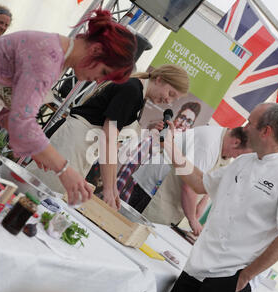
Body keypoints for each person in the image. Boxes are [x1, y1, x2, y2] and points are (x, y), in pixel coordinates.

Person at [0, 8, 137, 206]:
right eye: (104, 73)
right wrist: (64, 169)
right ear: (96, 50)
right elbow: (22, 120)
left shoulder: (57, 57)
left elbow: (10, 112)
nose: (98, 81)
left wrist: (37, 149)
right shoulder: (47, 57)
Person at [165, 102, 278, 292]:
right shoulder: (243, 161)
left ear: (266, 131)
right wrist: (170, 146)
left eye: (250, 123)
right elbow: (199, 183)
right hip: (196, 266)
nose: (244, 128)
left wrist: (245, 277)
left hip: (228, 279)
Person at [26, 64, 189, 210]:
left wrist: (113, 189)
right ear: (159, 80)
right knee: (34, 198)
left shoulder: (138, 95)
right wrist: (109, 189)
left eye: (174, 99)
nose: (168, 101)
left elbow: (113, 139)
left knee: (45, 201)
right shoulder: (132, 91)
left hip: (80, 150)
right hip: (70, 147)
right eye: (170, 93)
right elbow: (109, 139)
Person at [128, 125, 250, 236]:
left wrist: (200, 207)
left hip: (170, 200)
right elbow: (190, 186)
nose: (236, 158)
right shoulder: (208, 146)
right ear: (236, 142)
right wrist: (192, 219)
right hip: (152, 193)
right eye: (239, 155)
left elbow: (208, 181)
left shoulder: (225, 147)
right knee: (132, 234)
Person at [117, 101, 200, 203]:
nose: (183, 123)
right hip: (133, 182)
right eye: (182, 117)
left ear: (192, 125)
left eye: (189, 121)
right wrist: (150, 129)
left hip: (152, 196)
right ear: (177, 115)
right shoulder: (161, 129)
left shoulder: (185, 149)